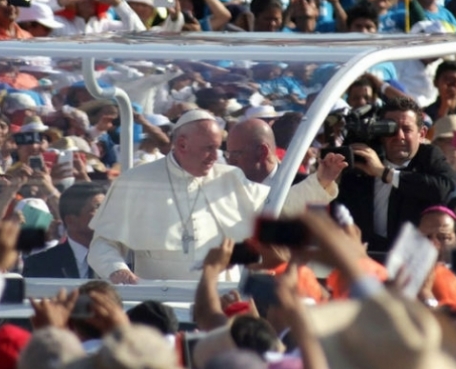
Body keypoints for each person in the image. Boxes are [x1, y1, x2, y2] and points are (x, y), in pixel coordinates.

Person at [88, 110, 268, 282]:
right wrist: (117, 270)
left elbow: (279, 206)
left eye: (218, 148)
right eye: (209, 148)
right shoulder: (135, 181)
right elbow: (103, 243)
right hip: (158, 300)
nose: (216, 156)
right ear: (182, 144)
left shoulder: (231, 178)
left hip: (221, 297)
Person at [333, 96, 456, 252]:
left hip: (412, 257)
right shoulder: (364, 159)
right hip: (365, 256)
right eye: (390, 128)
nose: (399, 136)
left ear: (422, 133)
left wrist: (384, 172)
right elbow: (338, 206)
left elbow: (443, 188)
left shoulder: (428, 156)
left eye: (407, 129)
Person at [225, 118, 345, 215]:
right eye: (228, 155)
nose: (230, 161)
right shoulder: (225, 188)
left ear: (262, 152)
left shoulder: (313, 188)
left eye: (235, 154)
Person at [23, 183, 106, 278]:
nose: (106, 214)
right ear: (71, 220)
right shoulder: (40, 264)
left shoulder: (122, 260)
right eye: (98, 208)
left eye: (107, 208)